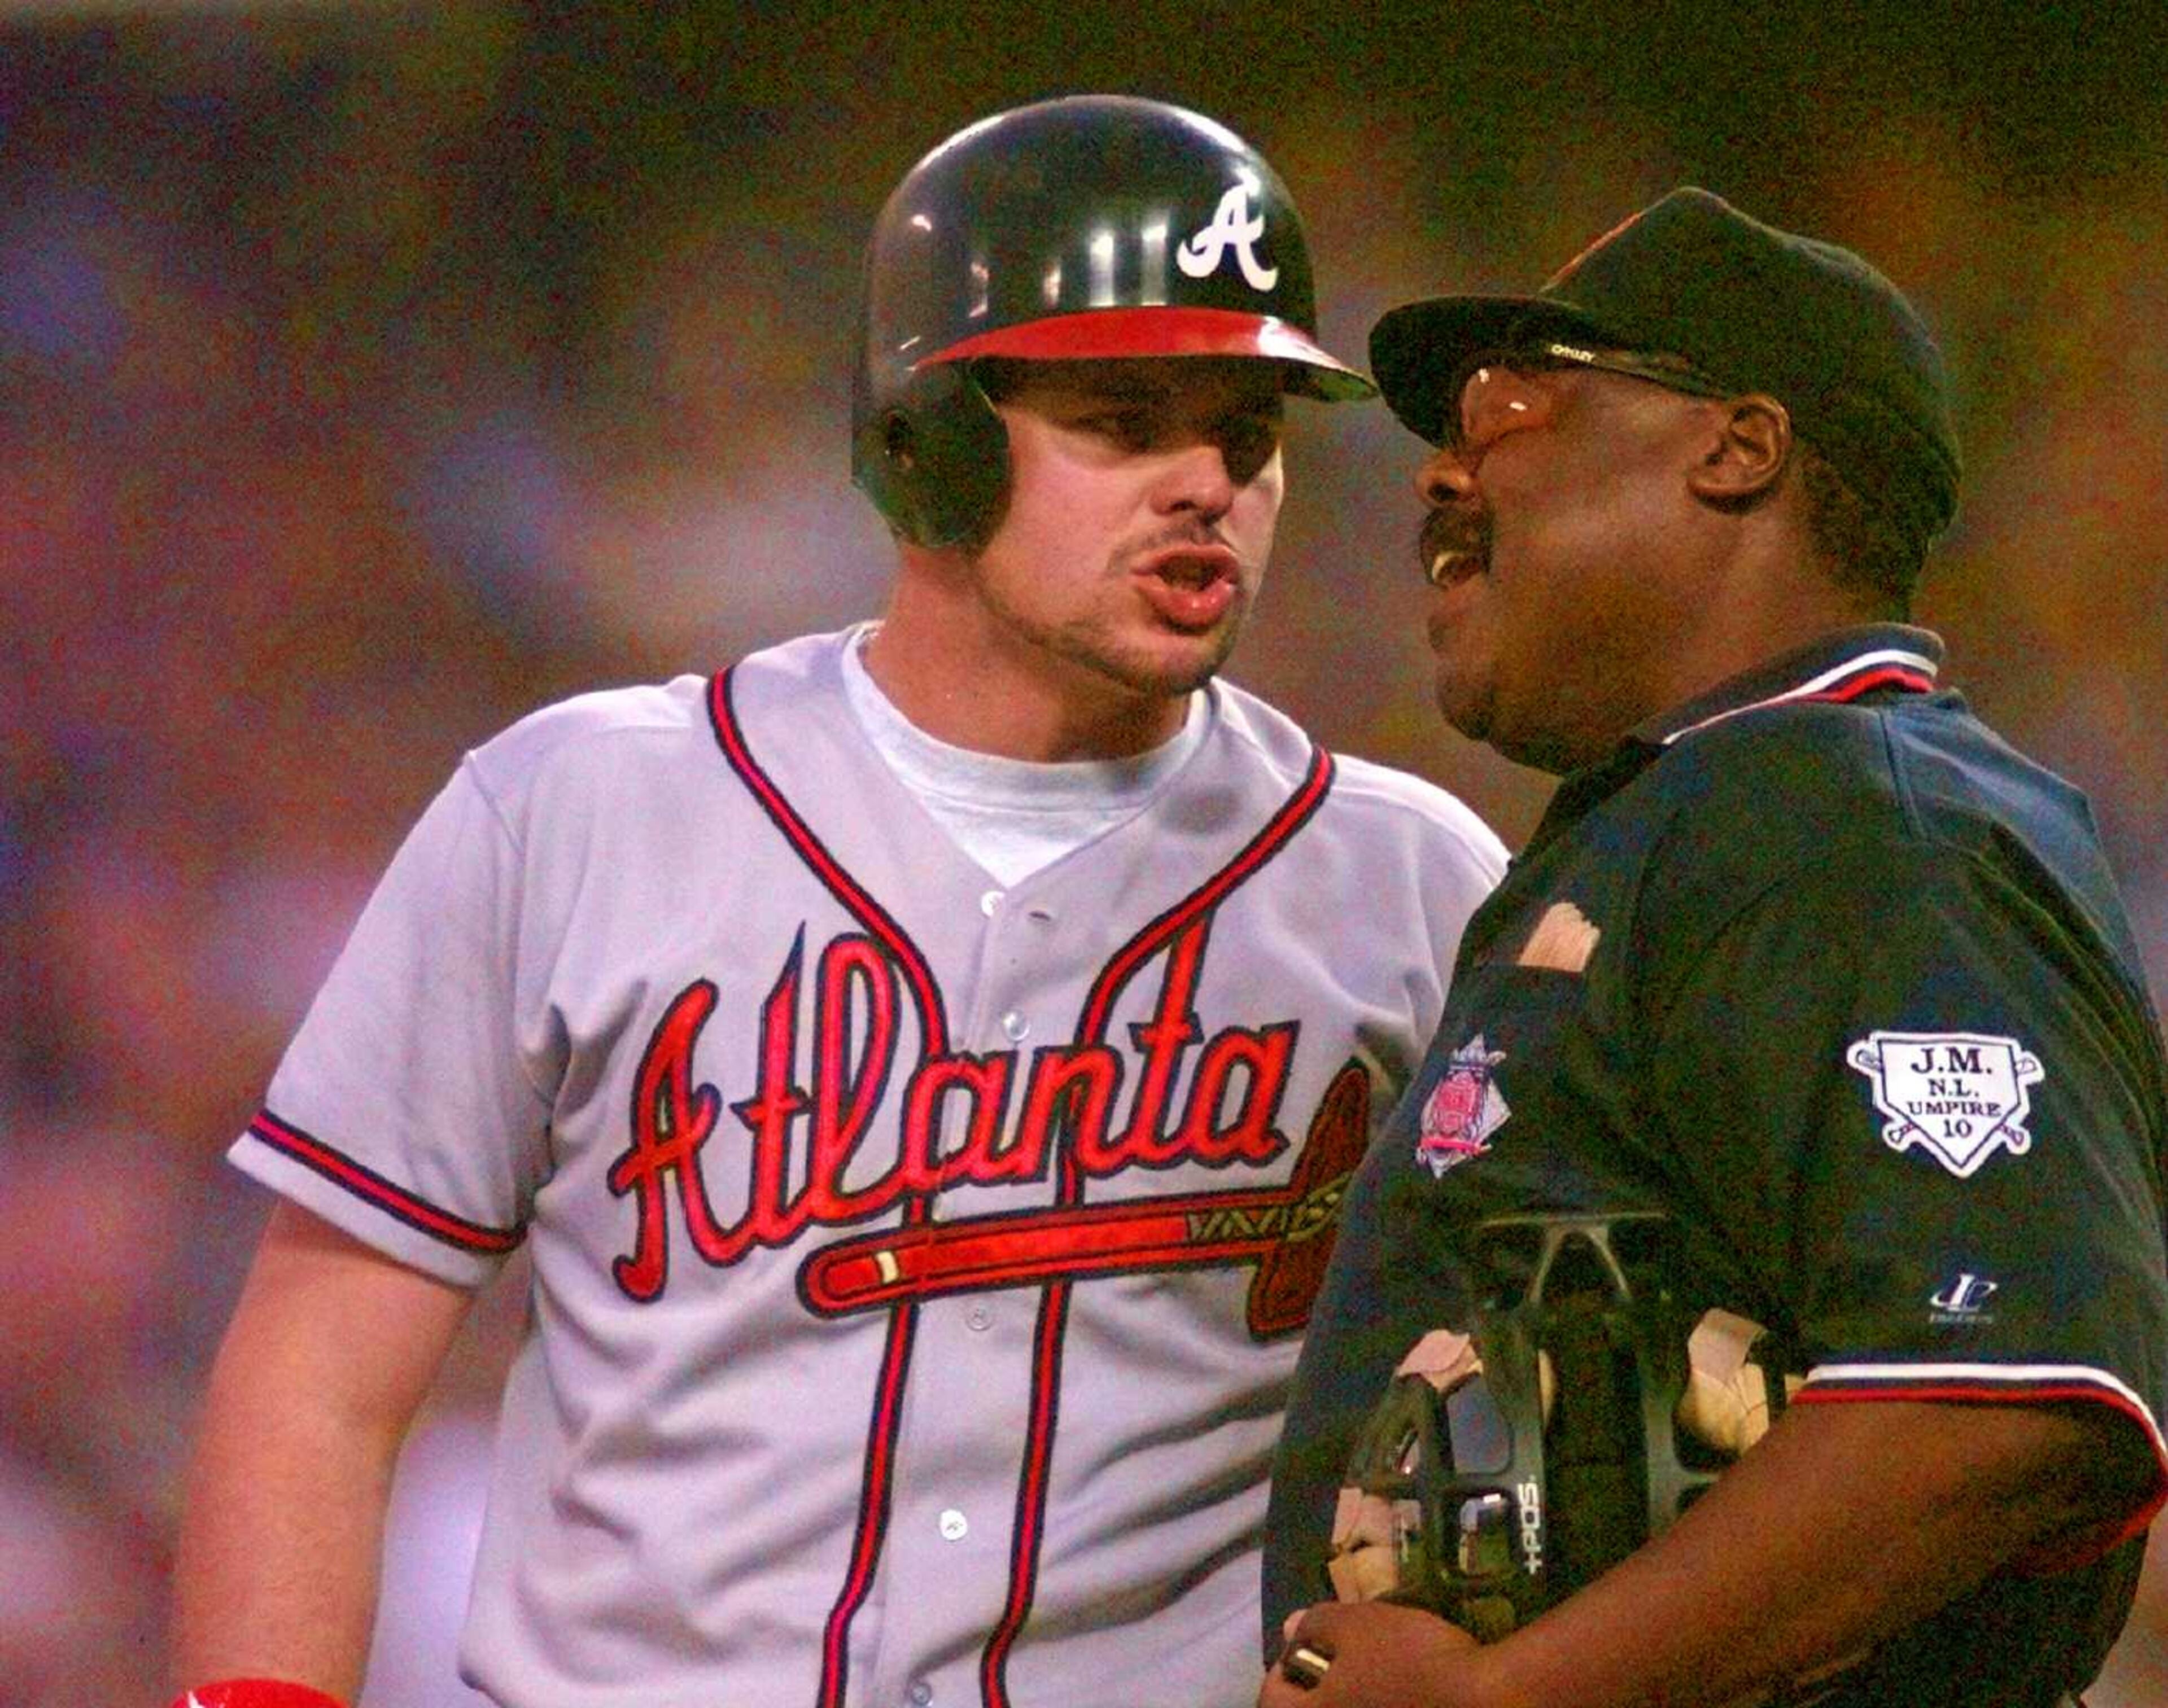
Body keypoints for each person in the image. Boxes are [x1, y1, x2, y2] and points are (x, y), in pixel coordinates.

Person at [168, 95, 1507, 1708]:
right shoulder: (581, 810)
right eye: (1125, 417)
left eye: (1247, 428)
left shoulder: (1411, 881)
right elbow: (319, 1371)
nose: (1206, 483)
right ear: (921, 441)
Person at [1258, 186, 2168, 1708]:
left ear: (1736, 447)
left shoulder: (1859, 822)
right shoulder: (1710, 814)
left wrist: (1509, 1697)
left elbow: (1994, 1399)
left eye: (1505, 405)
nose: (1440, 471)